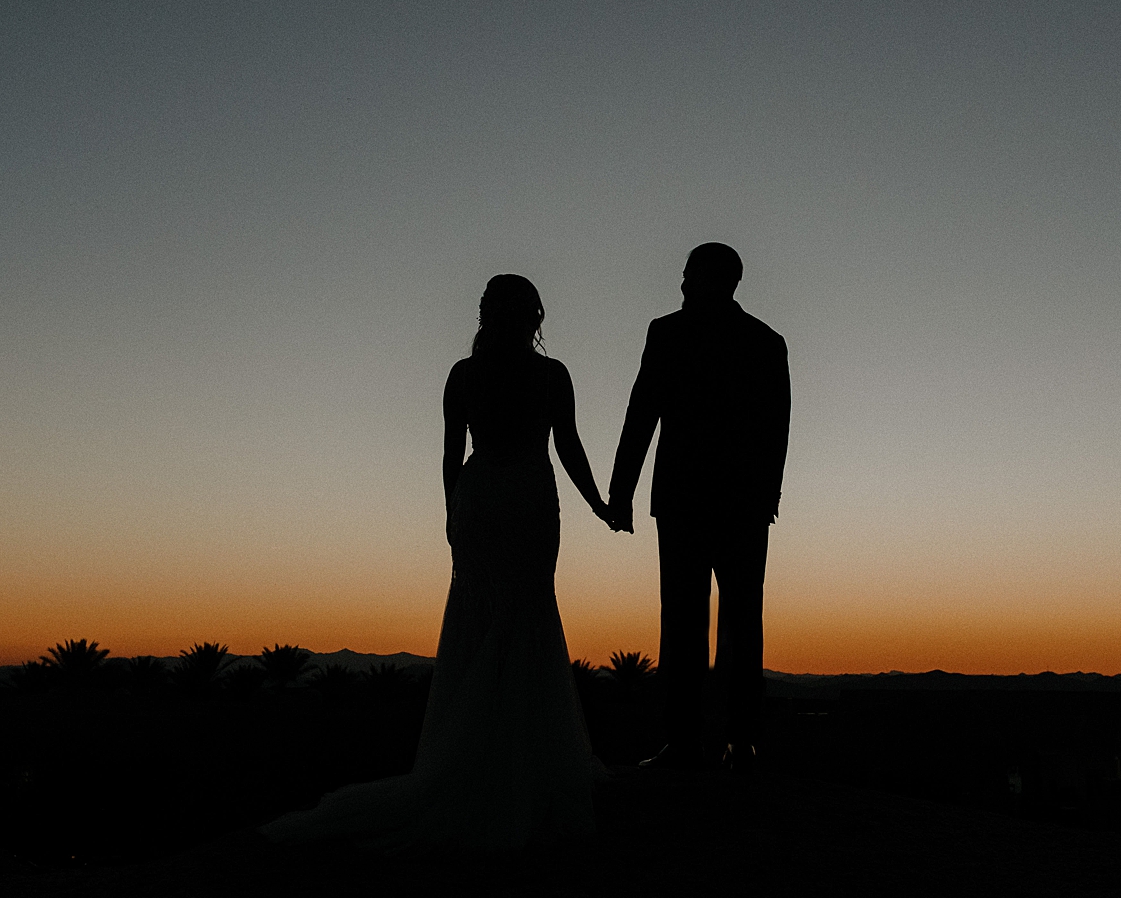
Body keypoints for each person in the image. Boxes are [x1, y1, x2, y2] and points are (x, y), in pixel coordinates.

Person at [261, 274, 609, 849]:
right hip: (525, 500)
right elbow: (566, 445)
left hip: (483, 500)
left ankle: (481, 757)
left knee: (484, 620)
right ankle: (525, 763)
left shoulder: (465, 374)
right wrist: (597, 503)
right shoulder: (550, 375)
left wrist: (454, 514)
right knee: (526, 617)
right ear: (536, 316)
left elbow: (453, 455)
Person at [606, 242, 790, 772]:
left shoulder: (753, 341)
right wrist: (623, 492)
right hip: (710, 503)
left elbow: (775, 427)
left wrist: (623, 493)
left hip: (721, 502)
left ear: (718, 281)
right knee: (709, 621)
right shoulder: (735, 338)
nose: (682, 285)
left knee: (720, 621)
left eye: (689, 275)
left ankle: (724, 740)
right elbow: (643, 411)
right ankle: (703, 741)